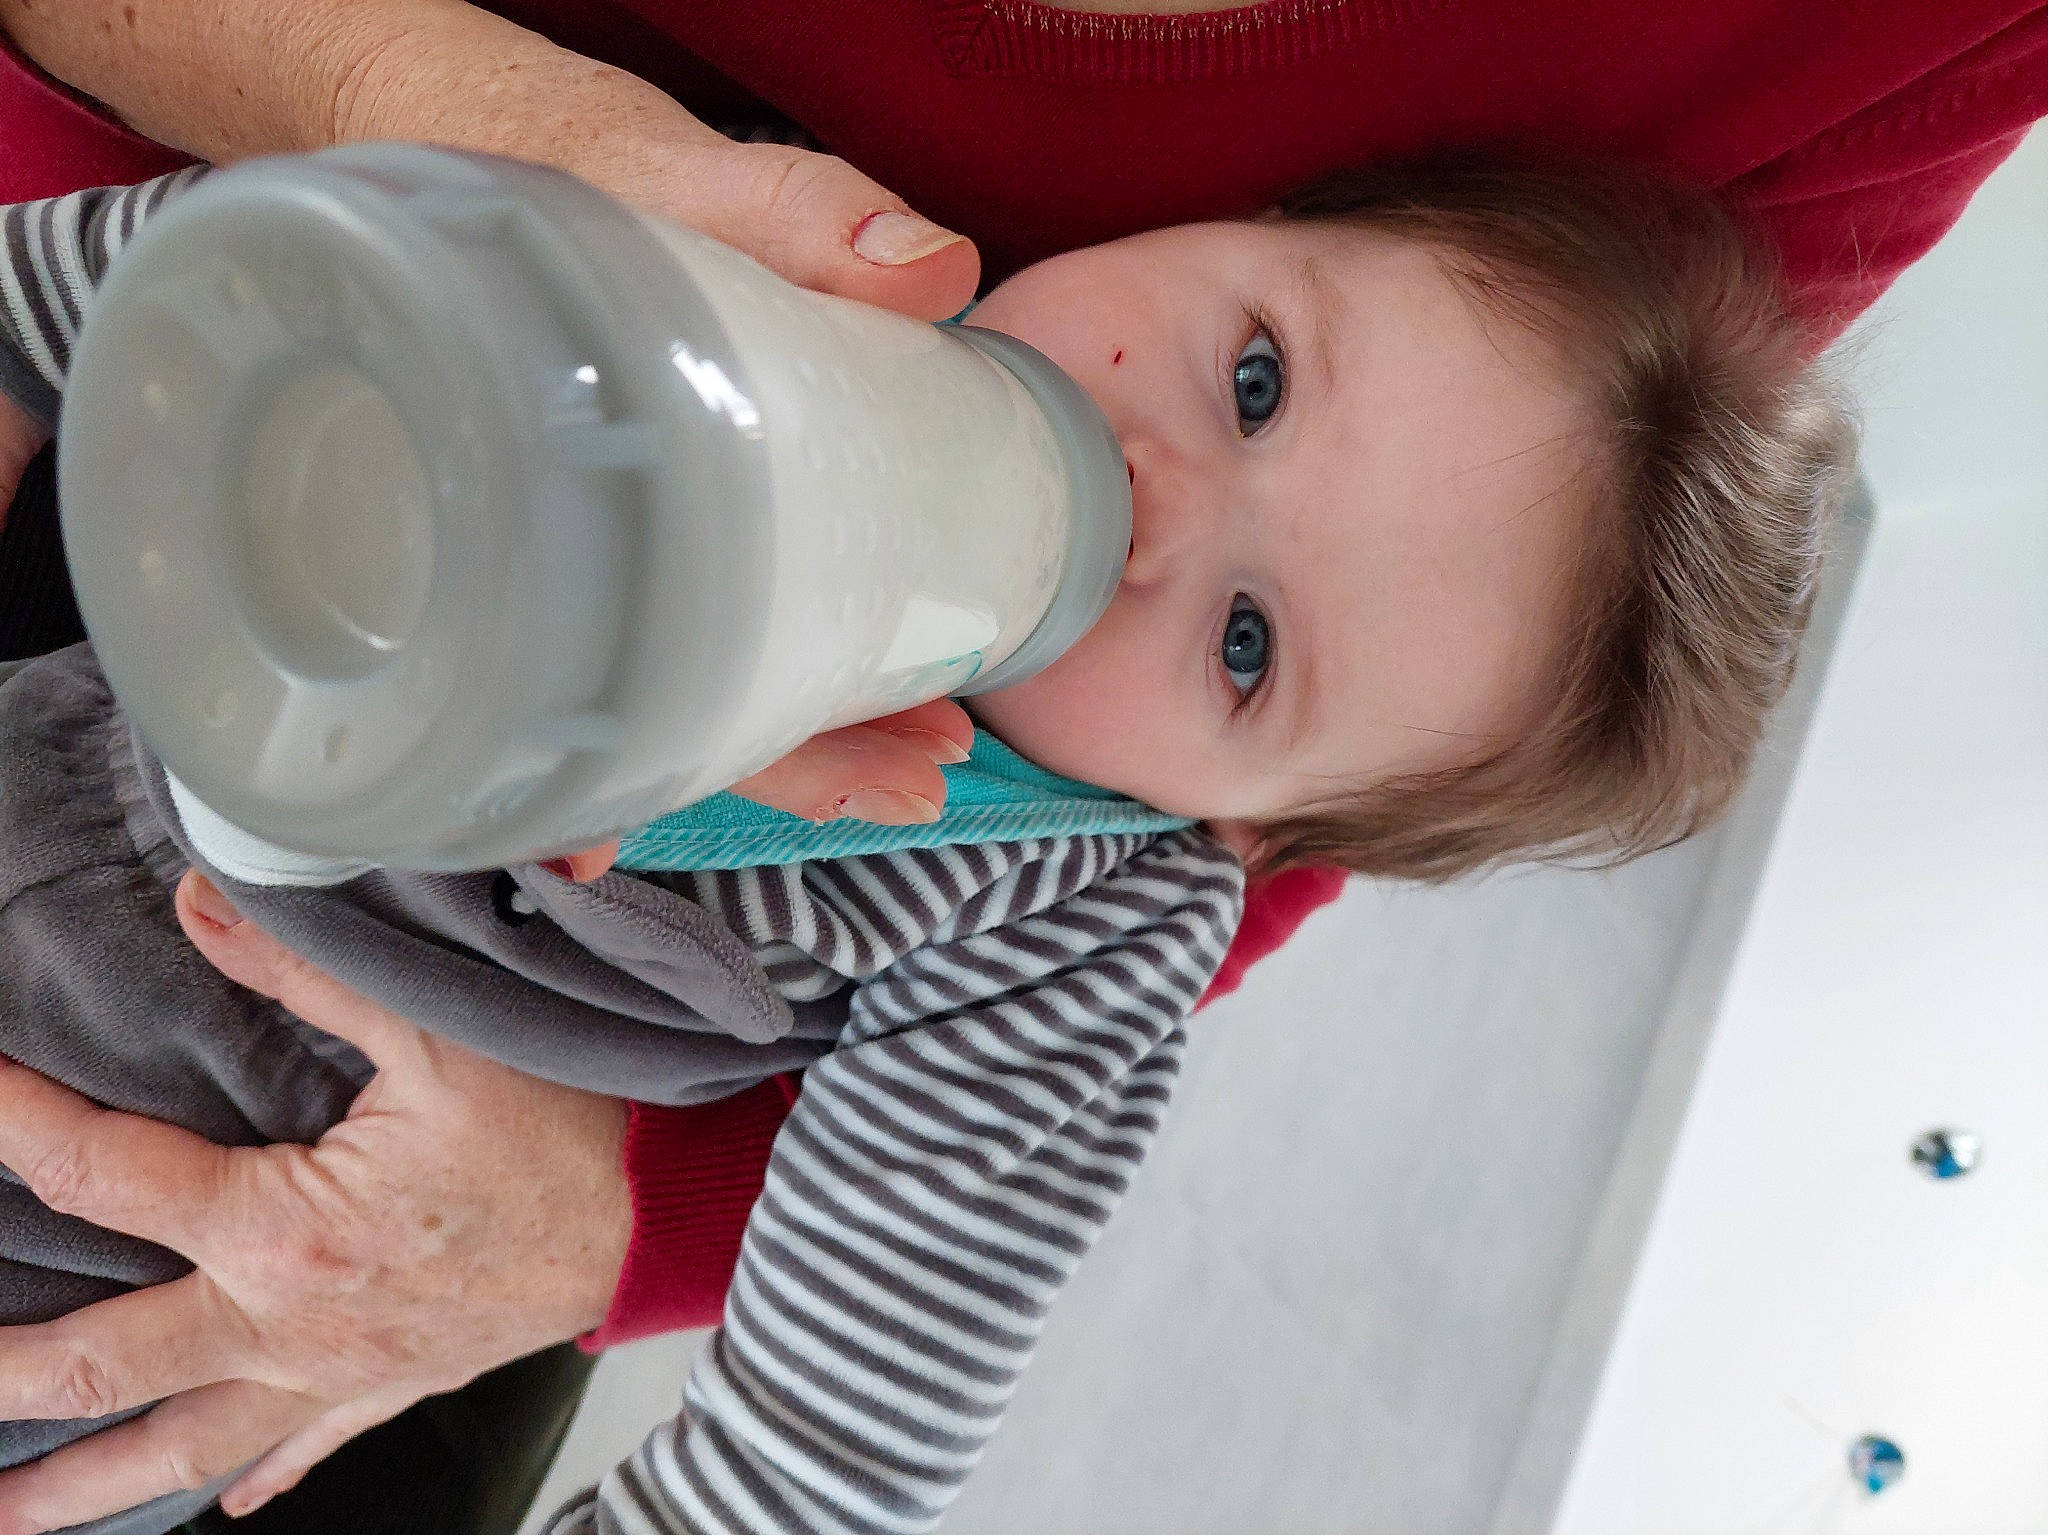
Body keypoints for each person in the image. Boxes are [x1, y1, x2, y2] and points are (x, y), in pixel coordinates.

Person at [0, 1, 2040, 1529]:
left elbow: (811, 1472)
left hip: (96, 1261)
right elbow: (242, 277)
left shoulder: (1059, 916)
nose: (1154, 507)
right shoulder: (746, 257)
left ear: (1242, 826)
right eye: (1254, 377)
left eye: (1245, 646)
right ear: (1238, 217)